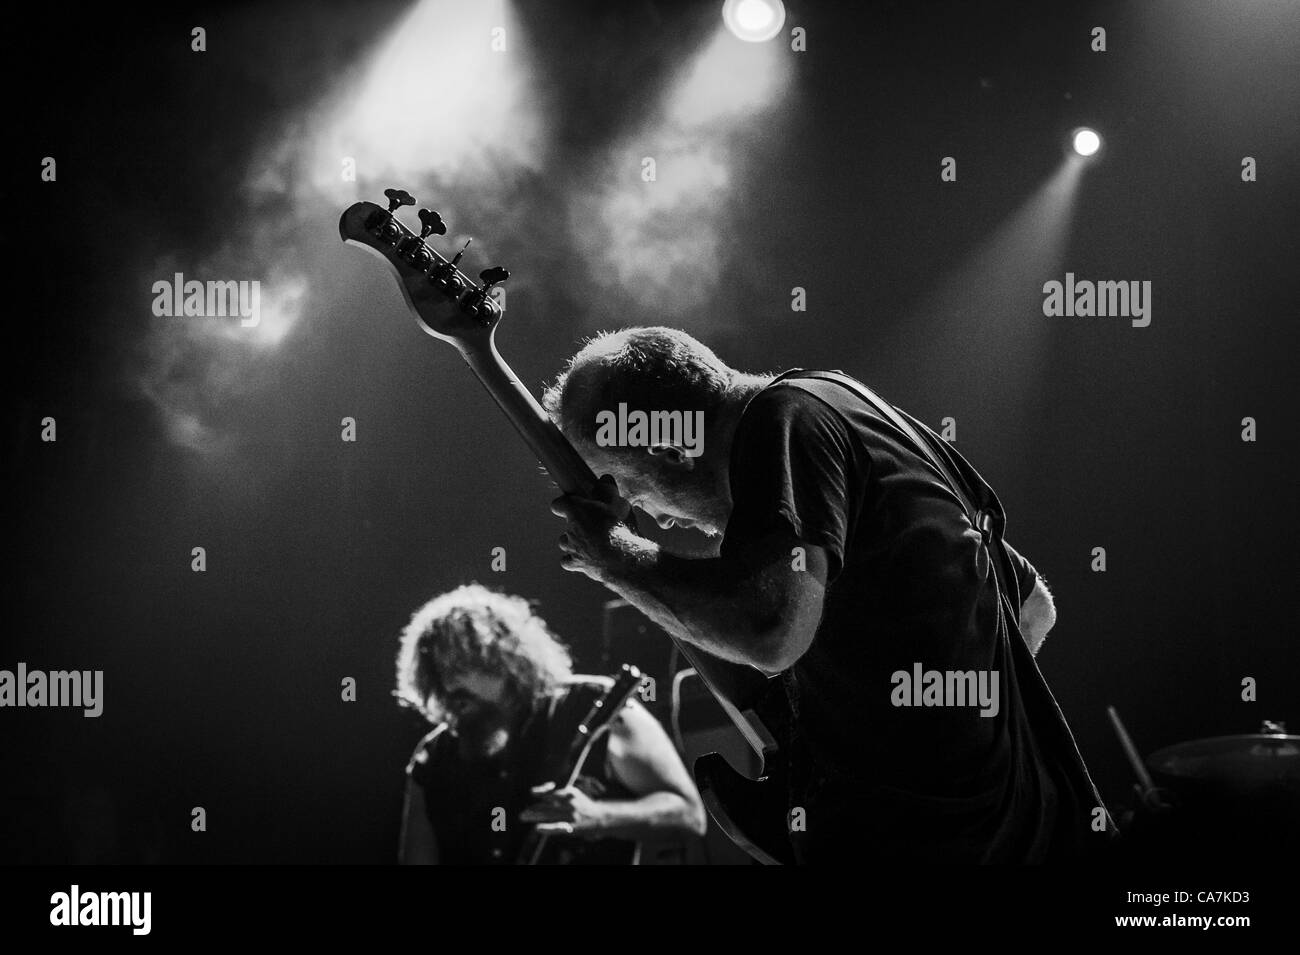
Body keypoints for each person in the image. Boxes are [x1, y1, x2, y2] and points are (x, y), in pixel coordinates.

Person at [542, 326, 1115, 864]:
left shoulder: (781, 421)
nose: (652, 519)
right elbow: (1032, 602)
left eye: (633, 488)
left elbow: (770, 632)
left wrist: (615, 558)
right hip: (1045, 833)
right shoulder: (845, 405)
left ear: (671, 449)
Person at [394, 583, 706, 864]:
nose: (449, 686)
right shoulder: (432, 759)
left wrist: (598, 816)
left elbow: (688, 816)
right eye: (438, 672)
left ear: (503, 656)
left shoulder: (593, 703)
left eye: (460, 666)